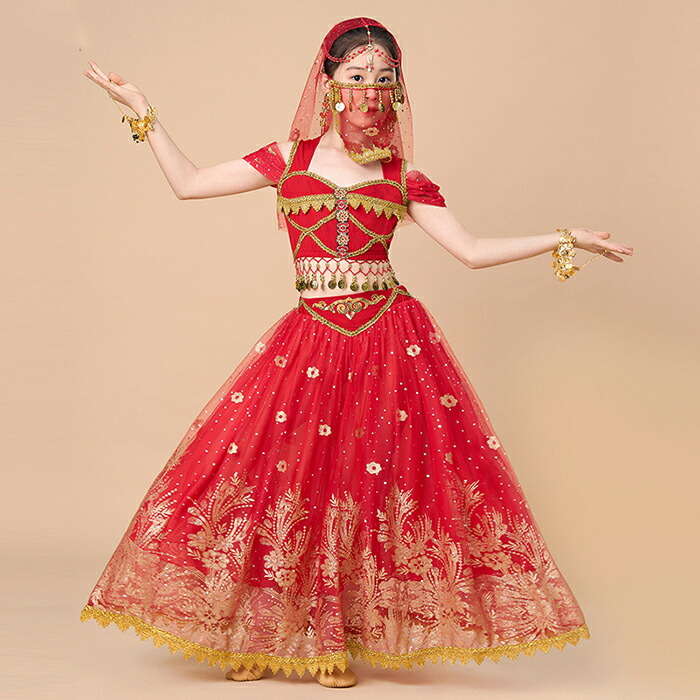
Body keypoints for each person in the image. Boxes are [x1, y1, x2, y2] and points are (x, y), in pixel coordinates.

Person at [80, 16, 633, 690]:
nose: (370, 87)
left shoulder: (404, 176)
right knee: (284, 484)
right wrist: (144, 112)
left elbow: (470, 250)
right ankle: (270, 635)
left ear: (396, 89)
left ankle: (334, 641)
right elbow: (189, 183)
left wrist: (563, 237)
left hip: (389, 340)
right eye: (357, 73)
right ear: (329, 81)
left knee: (366, 490)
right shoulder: (287, 159)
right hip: (311, 338)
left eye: (384, 76)